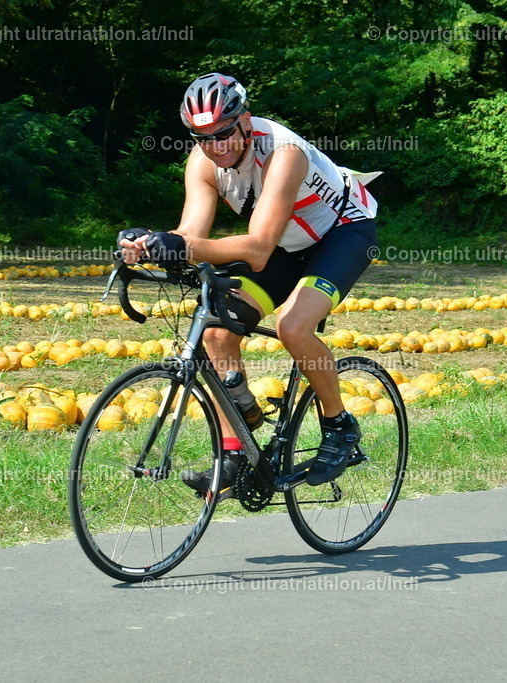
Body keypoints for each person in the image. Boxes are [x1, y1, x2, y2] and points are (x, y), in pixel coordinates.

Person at [119, 72, 379, 491]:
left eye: (223, 134)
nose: (215, 146)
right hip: (286, 244)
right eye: (202, 138)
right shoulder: (203, 161)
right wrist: (150, 243)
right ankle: (235, 452)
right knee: (217, 332)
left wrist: (182, 247)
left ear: (245, 121)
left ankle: (340, 426)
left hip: (342, 235)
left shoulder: (283, 154)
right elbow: (190, 233)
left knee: (293, 326)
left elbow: (257, 248)